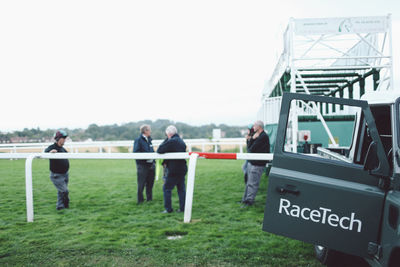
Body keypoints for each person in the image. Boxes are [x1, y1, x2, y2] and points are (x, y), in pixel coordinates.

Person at [157, 125, 187, 213]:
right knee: (181, 189)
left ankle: (168, 209)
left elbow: (160, 149)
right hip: (182, 168)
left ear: (168, 134)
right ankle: (183, 208)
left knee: (166, 188)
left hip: (174, 169)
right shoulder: (181, 141)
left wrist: (167, 139)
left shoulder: (172, 141)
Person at [241, 120, 270, 207]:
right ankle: (245, 200)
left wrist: (252, 139)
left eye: (254, 125)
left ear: (259, 127)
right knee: (249, 182)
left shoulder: (263, 136)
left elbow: (251, 149)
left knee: (252, 183)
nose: (253, 127)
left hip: (257, 164)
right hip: (253, 162)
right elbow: (250, 148)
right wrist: (251, 139)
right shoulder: (259, 135)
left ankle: (249, 201)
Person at [45, 130, 70, 210]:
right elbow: (45, 152)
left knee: (61, 191)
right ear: (58, 139)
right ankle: (66, 204)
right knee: (64, 191)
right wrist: (50, 152)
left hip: (65, 174)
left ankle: (60, 207)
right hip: (57, 175)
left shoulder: (63, 149)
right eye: (63, 138)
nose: (64, 140)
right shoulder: (52, 147)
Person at [133, 124, 155, 204]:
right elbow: (136, 152)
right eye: (149, 130)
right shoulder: (138, 140)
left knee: (150, 183)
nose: (150, 131)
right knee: (141, 183)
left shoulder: (150, 140)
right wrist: (146, 157)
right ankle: (140, 200)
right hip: (142, 165)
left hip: (151, 165)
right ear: (145, 131)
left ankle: (149, 199)